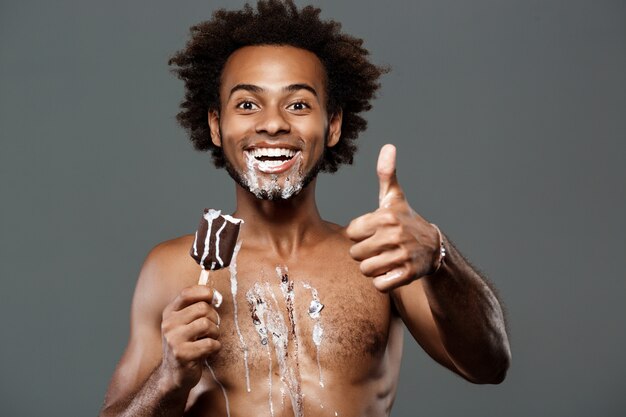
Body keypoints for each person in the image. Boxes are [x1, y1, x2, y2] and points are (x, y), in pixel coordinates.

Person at [99, 1, 511, 416]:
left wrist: (439, 255)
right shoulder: (173, 269)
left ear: (332, 125)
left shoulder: (379, 256)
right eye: (247, 104)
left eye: (298, 105)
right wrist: (169, 378)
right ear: (215, 124)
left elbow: (489, 366)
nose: (273, 123)